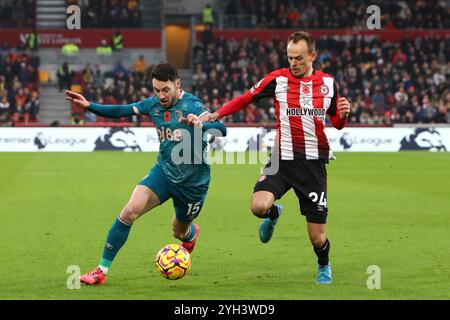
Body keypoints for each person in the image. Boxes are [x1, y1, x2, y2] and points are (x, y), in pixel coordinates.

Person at [203, 31, 351, 284]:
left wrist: (344, 115)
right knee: (258, 207)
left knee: (317, 237)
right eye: (290, 57)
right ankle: (274, 214)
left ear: (313, 56)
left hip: (313, 164)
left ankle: (323, 264)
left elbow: (336, 123)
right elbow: (246, 98)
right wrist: (217, 114)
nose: (293, 63)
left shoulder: (328, 84)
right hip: (281, 159)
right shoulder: (278, 79)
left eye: (299, 58)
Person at [64, 62, 227, 285]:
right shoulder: (153, 104)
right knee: (130, 211)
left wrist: (201, 123)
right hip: (164, 172)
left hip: (193, 183)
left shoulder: (193, 105)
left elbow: (222, 129)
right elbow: (121, 111)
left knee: (178, 231)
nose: (160, 95)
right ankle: (101, 270)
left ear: (178, 84)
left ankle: (189, 235)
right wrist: (89, 105)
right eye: (156, 90)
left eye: (165, 90)